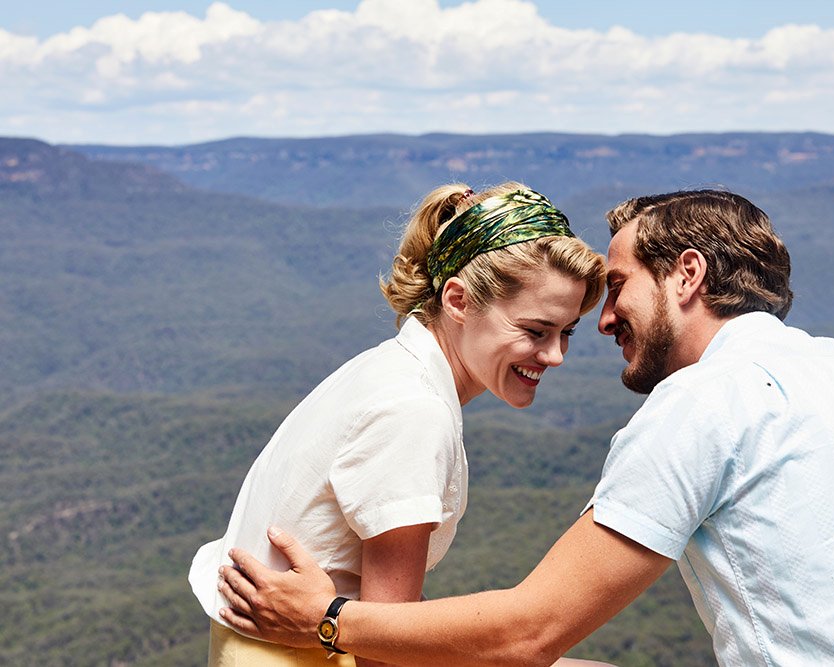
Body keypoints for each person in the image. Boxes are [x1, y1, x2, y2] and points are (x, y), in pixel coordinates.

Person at [217, 190, 834, 666]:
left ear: (687, 274)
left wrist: (323, 619)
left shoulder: (701, 404)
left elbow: (528, 632)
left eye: (617, 287)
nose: (603, 322)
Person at [189, 181, 607, 666]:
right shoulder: (414, 411)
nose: (555, 356)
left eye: (566, 332)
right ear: (458, 301)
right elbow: (381, 650)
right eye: (535, 331)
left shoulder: (386, 368)